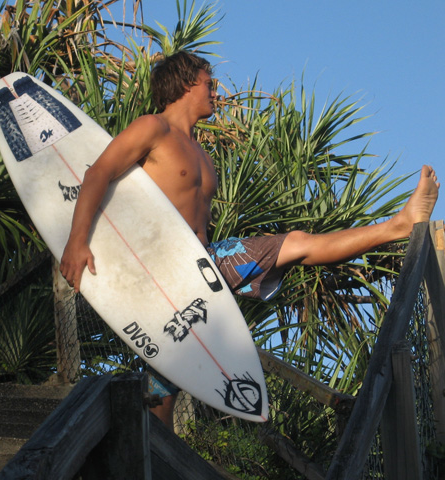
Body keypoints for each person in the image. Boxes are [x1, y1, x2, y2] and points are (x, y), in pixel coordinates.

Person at [59, 51, 440, 428]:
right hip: (161, 265)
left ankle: (152, 453)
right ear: (187, 83)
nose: (216, 92)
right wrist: (77, 241)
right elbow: (98, 173)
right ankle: (397, 226)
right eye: (209, 83)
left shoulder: (202, 154)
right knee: (167, 369)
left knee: (171, 370)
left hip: (203, 265)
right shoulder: (152, 128)